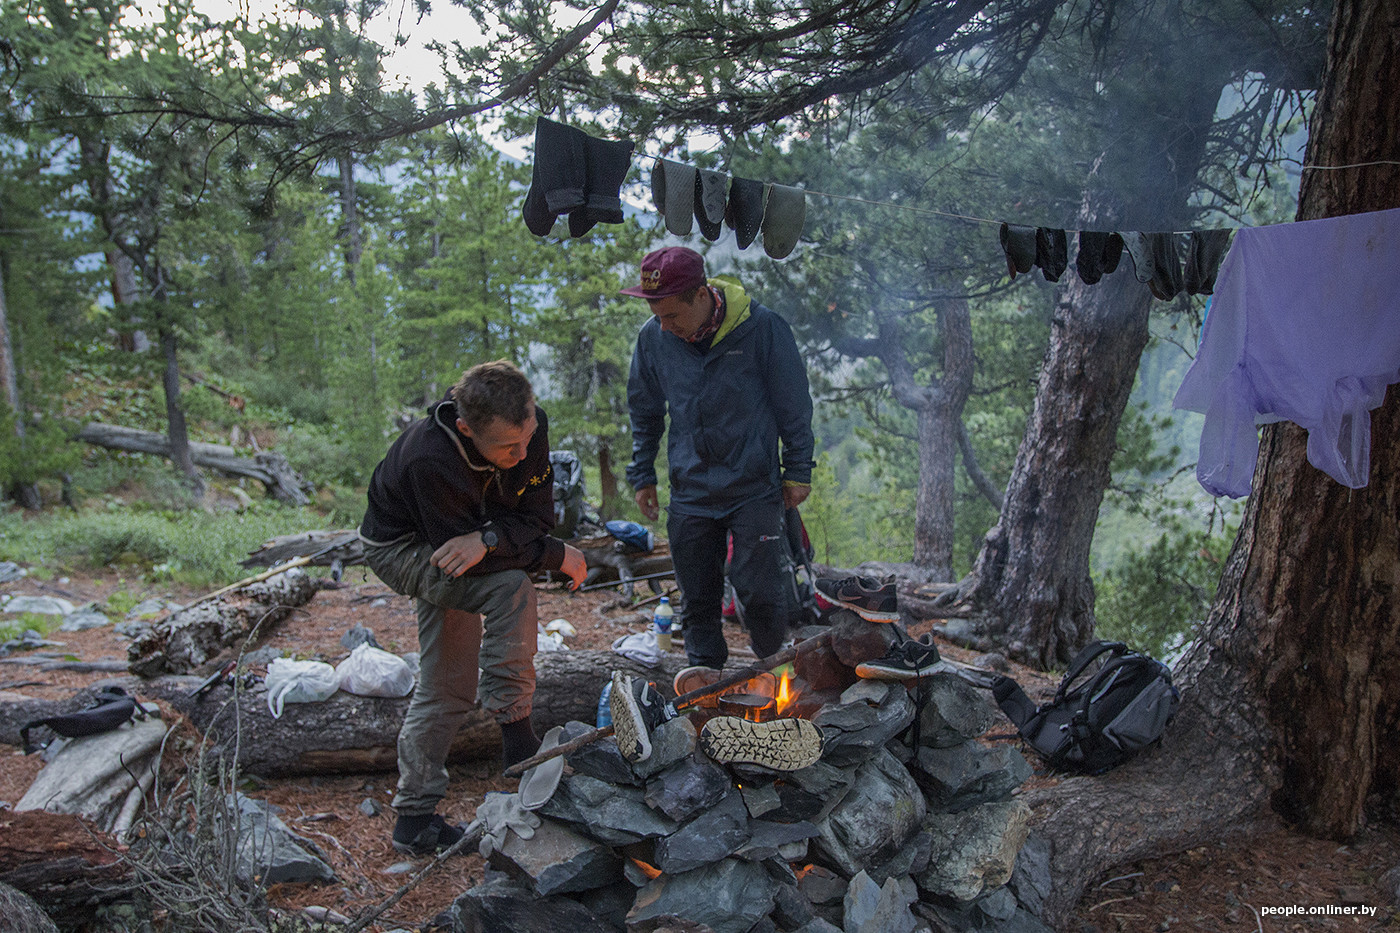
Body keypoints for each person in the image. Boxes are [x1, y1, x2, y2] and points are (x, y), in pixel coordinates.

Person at [359, 360, 586, 855]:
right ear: (466, 428)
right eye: (509, 447)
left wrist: (493, 537)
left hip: (468, 533)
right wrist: (551, 554)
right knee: (509, 587)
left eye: (527, 437)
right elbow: (463, 556)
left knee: (447, 684)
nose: (523, 453)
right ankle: (518, 741)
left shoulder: (528, 425)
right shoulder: (430, 459)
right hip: (403, 546)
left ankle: (413, 819)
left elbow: (536, 516)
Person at [620, 246, 815, 716]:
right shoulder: (654, 339)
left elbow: (794, 405)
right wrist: (642, 473)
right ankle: (704, 698)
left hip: (754, 488)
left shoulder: (762, 329)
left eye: (669, 314)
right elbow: (645, 411)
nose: (662, 325)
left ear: (701, 296)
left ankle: (779, 688)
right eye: (654, 313)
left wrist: (799, 471)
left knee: (762, 595)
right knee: (697, 600)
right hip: (690, 492)